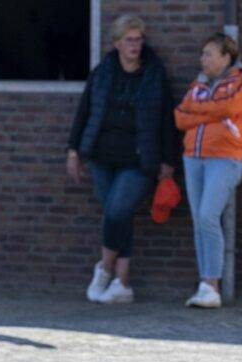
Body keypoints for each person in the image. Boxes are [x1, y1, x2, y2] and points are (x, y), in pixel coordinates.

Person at [67, 14, 179, 304]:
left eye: (138, 39)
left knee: (116, 211)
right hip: (101, 157)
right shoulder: (102, 72)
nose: (135, 45)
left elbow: (167, 119)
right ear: (117, 42)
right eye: (129, 40)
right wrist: (74, 150)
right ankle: (122, 282)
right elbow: (84, 111)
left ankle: (104, 268)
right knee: (118, 215)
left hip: (139, 160)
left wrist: (168, 159)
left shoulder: (154, 75)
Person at [174, 33, 242, 308]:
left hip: (225, 158)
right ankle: (204, 284)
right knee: (199, 220)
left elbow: (230, 107)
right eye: (202, 54)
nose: (203, 59)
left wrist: (198, 112)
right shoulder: (198, 83)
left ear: (225, 57)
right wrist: (213, 113)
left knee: (208, 216)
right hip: (193, 157)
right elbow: (179, 116)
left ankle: (212, 285)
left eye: (208, 54)